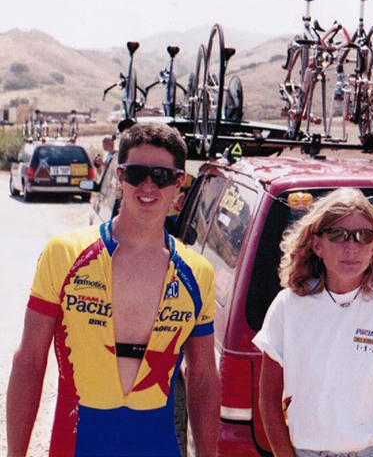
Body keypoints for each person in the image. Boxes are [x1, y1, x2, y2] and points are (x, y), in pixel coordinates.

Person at [7, 122, 220, 457]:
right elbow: (30, 360)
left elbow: (204, 376)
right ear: (120, 177)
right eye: (136, 173)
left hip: (156, 445)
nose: (148, 185)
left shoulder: (197, 272)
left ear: (179, 182)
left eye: (161, 175)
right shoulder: (65, 253)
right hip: (77, 442)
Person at [253, 187, 373, 457]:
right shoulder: (287, 306)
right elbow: (268, 397)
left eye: (363, 236)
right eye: (338, 235)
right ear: (316, 245)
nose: (352, 247)